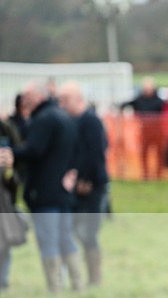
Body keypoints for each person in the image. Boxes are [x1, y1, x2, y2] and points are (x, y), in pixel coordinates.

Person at [3, 81, 81, 292]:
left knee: (48, 239)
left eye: (27, 94)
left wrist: (12, 154)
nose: (24, 98)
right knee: (65, 237)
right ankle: (77, 282)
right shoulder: (63, 117)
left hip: (45, 191)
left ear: (38, 96)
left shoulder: (43, 119)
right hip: (63, 190)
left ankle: (55, 286)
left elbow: (34, 149)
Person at [58, 81, 109, 286]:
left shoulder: (91, 121)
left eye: (65, 100)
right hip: (74, 188)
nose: (61, 104)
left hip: (92, 187)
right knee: (71, 233)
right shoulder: (69, 121)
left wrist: (85, 179)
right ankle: (73, 277)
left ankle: (94, 278)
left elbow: (96, 153)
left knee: (88, 234)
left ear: (78, 99)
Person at [121, 76, 165, 179]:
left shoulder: (159, 101)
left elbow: (167, 109)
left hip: (157, 132)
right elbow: (126, 104)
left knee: (159, 153)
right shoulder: (139, 100)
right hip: (144, 132)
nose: (147, 90)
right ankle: (145, 174)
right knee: (144, 154)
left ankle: (159, 174)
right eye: (145, 88)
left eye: (149, 88)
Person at [0, 118, 24, 291]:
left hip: (4, 204)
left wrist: (9, 168)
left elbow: (11, 181)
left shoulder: (6, 129)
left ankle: (3, 283)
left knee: (4, 245)